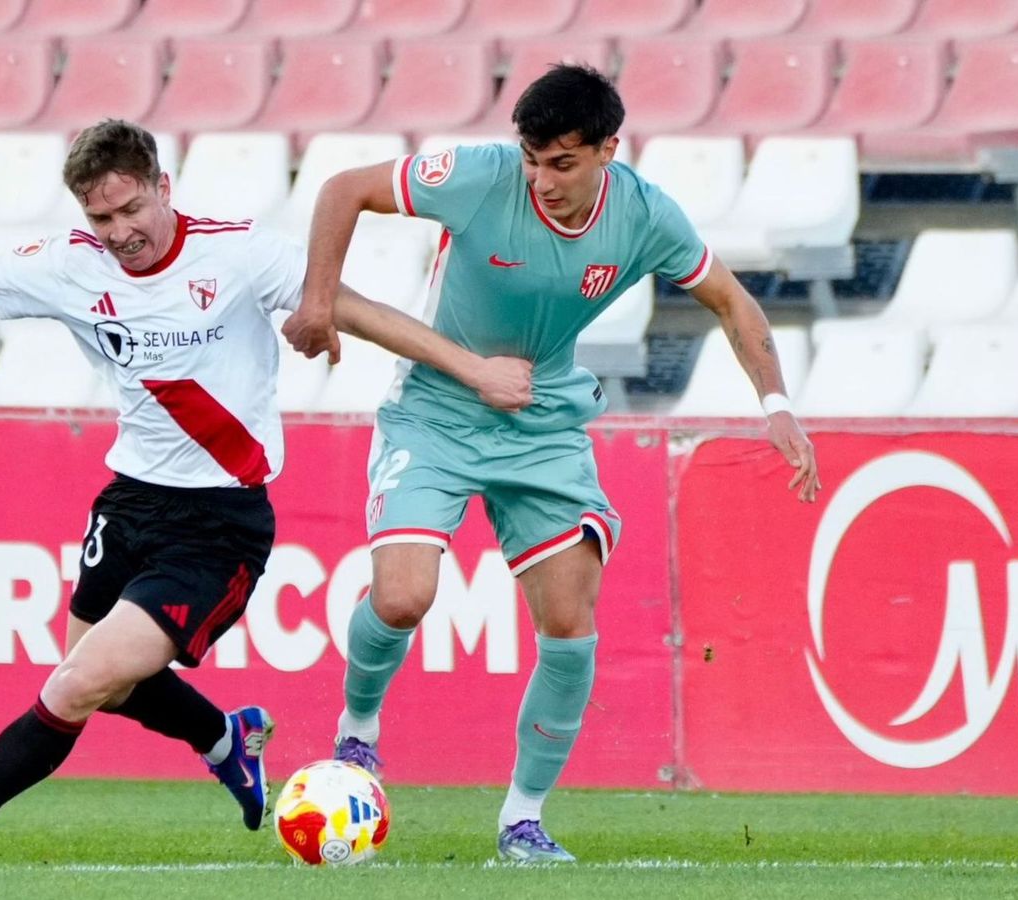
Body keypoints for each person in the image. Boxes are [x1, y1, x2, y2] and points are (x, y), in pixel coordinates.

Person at [0, 119, 534, 860]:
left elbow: (362, 313)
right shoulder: (69, 263)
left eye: (131, 207)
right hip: (129, 502)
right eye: (102, 217)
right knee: (107, 681)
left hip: (218, 524)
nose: (120, 230)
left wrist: (473, 371)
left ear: (165, 186)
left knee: (80, 681)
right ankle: (227, 737)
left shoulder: (239, 256)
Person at [282, 64, 822, 864]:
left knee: (570, 625)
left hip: (542, 421)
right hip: (436, 412)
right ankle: (358, 730)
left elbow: (733, 302)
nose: (541, 180)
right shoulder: (480, 178)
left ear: (609, 149)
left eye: (562, 164)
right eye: (532, 159)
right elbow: (341, 189)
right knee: (401, 598)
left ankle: (522, 822)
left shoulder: (643, 215)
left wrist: (776, 405)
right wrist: (320, 303)